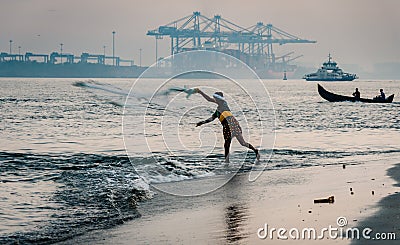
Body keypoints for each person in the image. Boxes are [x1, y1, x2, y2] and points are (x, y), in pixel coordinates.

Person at [195, 89, 260, 163]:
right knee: (242, 143)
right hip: (234, 124)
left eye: (216, 98)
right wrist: (202, 122)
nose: (214, 100)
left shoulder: (223, 103)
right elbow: (211, 119)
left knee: (227, 144)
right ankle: (255, 150)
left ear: (219, 99)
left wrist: (200, 92)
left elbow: (209, 99)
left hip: (229, 125)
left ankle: (227, 162)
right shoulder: (218, 111)